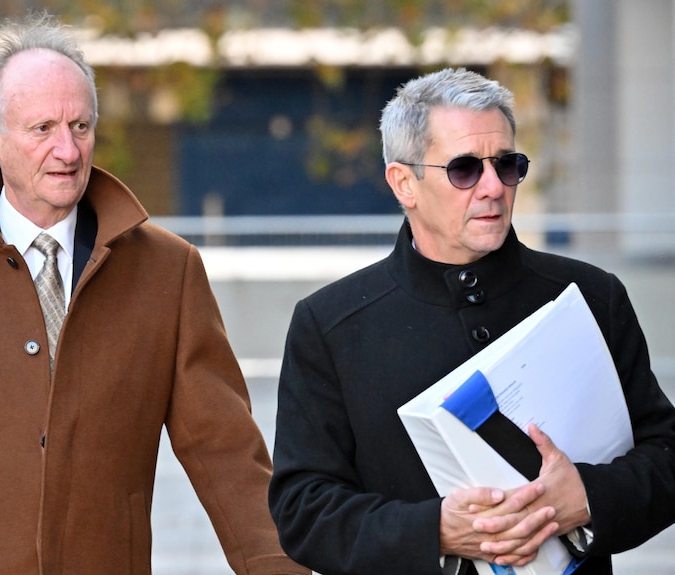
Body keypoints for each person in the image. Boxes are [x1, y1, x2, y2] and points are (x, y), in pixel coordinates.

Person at [0, 13, 307, 575]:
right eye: (42, 129)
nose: (68, 150)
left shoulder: (168, 272)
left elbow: (228, 455)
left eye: (80, 126)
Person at [268, 67, 675, 574]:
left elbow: (666, 456)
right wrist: (435, 530)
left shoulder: (593, 296)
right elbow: (303, 511)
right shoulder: (328, 324)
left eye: (507, 165)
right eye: (464, 169)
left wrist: (588, 497)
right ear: (404, 183)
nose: (493, 187)